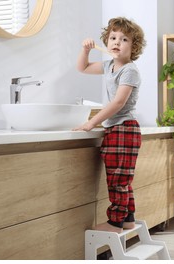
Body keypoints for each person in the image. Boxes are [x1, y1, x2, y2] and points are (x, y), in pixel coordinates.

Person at [73, 17, 146, 233]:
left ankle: (115, 223)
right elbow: (83, 68)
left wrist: (91, 123)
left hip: (124, 128)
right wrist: (85, 50)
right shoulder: (109, 65)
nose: (117, 42)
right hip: (116, 129)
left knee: (117, 179)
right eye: (113, 37)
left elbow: (118, 102)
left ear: (134, 47)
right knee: (122, 178)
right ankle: (128, 219)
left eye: (124, 39)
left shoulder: (129, 70)